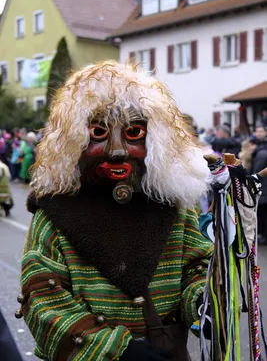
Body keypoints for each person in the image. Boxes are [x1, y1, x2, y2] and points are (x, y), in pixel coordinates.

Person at [18, 61, 213, 361]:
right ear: (74, 141)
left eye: (133, 133)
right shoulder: (53, 213)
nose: (118, 150)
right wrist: (118, 352)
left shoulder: (171, 205)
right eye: (99, 132)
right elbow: (44, 300)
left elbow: (196, 266)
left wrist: (205, 301)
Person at [249, 137, 267, 244]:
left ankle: (263, 236)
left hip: (263, 190)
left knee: (263, 215)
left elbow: (257, 173)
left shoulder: (260, 154)